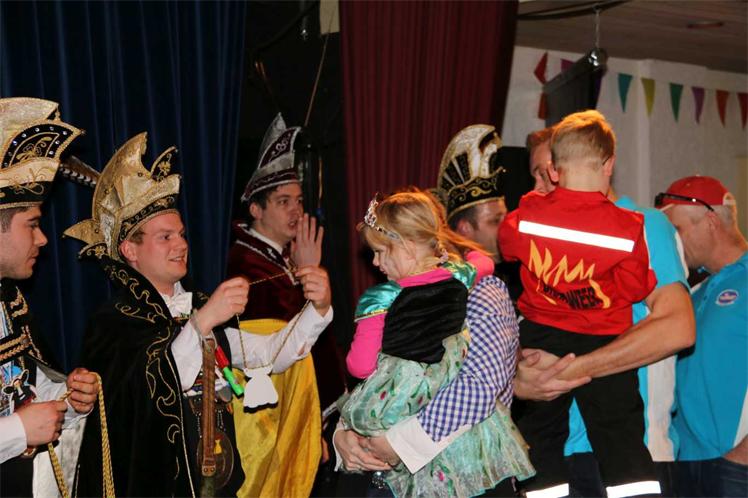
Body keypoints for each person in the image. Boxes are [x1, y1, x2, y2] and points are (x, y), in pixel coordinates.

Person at [66, 132, 333, 497]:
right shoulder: (114, 322)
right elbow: (151, 392)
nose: (181, 244)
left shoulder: (196, 306)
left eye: (181, 234)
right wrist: (204, 321)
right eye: (165, 237)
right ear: (130, 249)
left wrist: (317, 309)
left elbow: (270, 354)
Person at [334, 126, 529, 498]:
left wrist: (400, 443)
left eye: (383, 251)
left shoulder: (482, 291)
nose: (376, 263)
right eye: (495, 220)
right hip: (388, 479)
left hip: (465, 478)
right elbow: (378, 377)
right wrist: (345, 433)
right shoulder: (394, 295)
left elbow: (480, 385)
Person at [521, 125, 694, 497]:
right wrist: (522, 379)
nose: (542, 183)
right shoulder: (542, 235)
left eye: (550, 170)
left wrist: (570, 371)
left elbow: (677, 327)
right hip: (556, 454)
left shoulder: (642, 224)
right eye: (537, 173)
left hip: (632, 451)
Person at [500, 110, 662, 497]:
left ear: (554, 170)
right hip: (604, 338)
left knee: (540, 434)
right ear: (609, 164)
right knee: (620, 433)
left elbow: (507, 246)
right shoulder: (629, 225)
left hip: (542, 336)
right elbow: (636, 286)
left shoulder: (529, 214)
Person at [226, 113, 343, 497]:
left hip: (298, 414)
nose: (296, 210)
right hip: (268, 422)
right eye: (283, 202)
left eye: (299, 201)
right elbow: (278, 350)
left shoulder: (280, 257)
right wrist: (306, 279)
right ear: (256, 209)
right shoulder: (245, 263)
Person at [0, 97, 99, 496]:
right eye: (32, 224)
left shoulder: (10, 301)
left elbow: (22, 385)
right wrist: (18, 430)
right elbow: (18, 422)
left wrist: (68, 399)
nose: (42, 238)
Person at [656, 176, 748, 497]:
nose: (673, 243)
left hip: (734, 467)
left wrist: (741, 458)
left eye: (677, 230)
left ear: (710, 222)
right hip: (682, 464)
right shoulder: (692, 293)